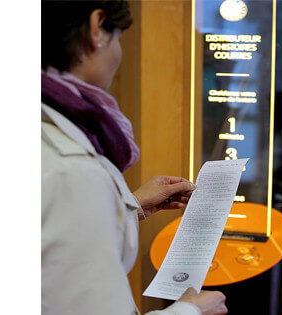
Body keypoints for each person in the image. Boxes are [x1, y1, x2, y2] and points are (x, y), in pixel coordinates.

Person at [41, 1, 228, 314]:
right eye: (119, 39)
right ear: (96, 28)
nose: (118, 55)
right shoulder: (69, 168)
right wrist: (191, 311)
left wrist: (129, 207)